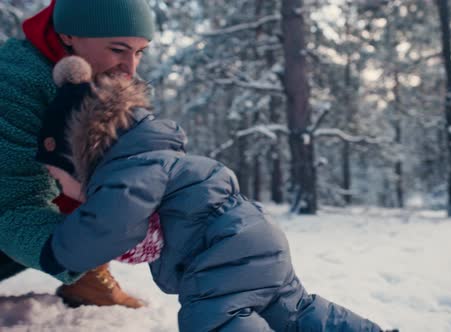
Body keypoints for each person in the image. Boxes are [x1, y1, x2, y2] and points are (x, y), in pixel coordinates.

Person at [38, 56, 391, 332]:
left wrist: (57, 251)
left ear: (76, 157)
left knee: (213, 318)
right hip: (255, 234)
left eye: (57, 176)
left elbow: (109, 224)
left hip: (220, 254)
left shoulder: (126, 171)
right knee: (294, 310)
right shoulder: (156, 158)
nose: (59, 187)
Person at [0, 0, 156, 308]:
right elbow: (11, 204)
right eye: (117, 49)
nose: (131, 67)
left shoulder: (94, 84)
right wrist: (75, 253)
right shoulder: (14, 83)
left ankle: (88, 280)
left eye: (139, 52)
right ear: (68, 35)